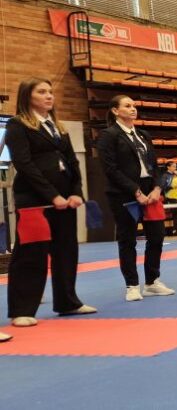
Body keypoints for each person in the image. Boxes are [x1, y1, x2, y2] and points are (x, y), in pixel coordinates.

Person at [6, 78, 95, 332]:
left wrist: (76, 192)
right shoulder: (18, 125)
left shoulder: (58, 127)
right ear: (28, 96)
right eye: (42, 92)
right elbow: (24, 165)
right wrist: (51, 195)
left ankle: (67, 301)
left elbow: (72, 163)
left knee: (66, 251)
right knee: (31, 255)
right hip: (35, 203)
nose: (49, 96)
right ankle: (22, 310)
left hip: (65, 201)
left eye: (50, 92)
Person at [97, 95, 175, 302]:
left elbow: (155, 165)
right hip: (124, 194)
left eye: (134, 106)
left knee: (157, 236)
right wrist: (135, 191)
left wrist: (158, 187)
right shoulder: (108, 135)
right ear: (115, 111)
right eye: (127, 106)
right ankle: (132, 285)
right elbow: (110, 169)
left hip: (150, 192)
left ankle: (152, 281)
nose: (133, 109)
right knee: (128, 239)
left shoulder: (143, 135)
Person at [160, 160, 177, 236]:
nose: (175, 168)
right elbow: (162, 186)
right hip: (170, 196)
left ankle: (175, 230)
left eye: (175, 166)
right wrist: (172, 187)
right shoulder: (165, 175)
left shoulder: (176, 175)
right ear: (168, 167)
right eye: (173, 166)